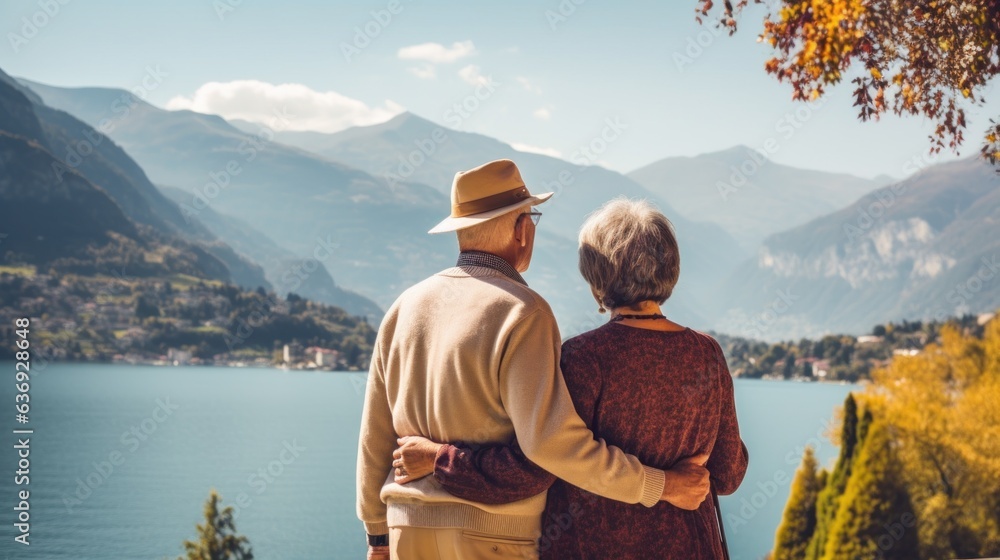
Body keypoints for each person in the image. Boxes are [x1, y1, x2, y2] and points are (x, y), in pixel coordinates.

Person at [356, 162, 711, 560]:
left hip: (407, 529)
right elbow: (552, 446)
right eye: (532, 218)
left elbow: (375, 436)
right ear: (522, 230)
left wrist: (377, 536)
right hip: (492, 536)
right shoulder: (523, 311)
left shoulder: (404, 307)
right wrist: (659, 486)